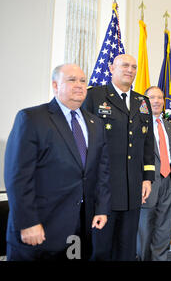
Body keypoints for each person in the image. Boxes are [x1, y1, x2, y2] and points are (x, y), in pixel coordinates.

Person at [4, 64, 110, 261]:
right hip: (38, 230)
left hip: (79, 231)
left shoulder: (96, 124)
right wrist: (28, 222)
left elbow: (102, 172)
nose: (79, 85)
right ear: (55, 85)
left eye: (82, 81)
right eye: (71, 80)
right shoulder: (31, 118)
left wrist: (102, 208)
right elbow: (18, 176)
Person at [82, 54, 155, 261]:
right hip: (103, 188)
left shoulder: (143, 101)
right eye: (124, 65)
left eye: (134, 66)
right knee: (101, 249)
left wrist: (147, 177)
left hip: (133, 189)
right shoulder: (95, 96)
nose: (130, 70)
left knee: (126, 249)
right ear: (111, 68)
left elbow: (147, 142)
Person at [137, 86, 171, 261]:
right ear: (145, 101)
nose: (157, 101)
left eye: (160, 98)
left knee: (163, 228)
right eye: (152, 98)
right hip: (148, 182)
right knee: (144, 230)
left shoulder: (167, 124)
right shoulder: (137, 123)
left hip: (167, 182)